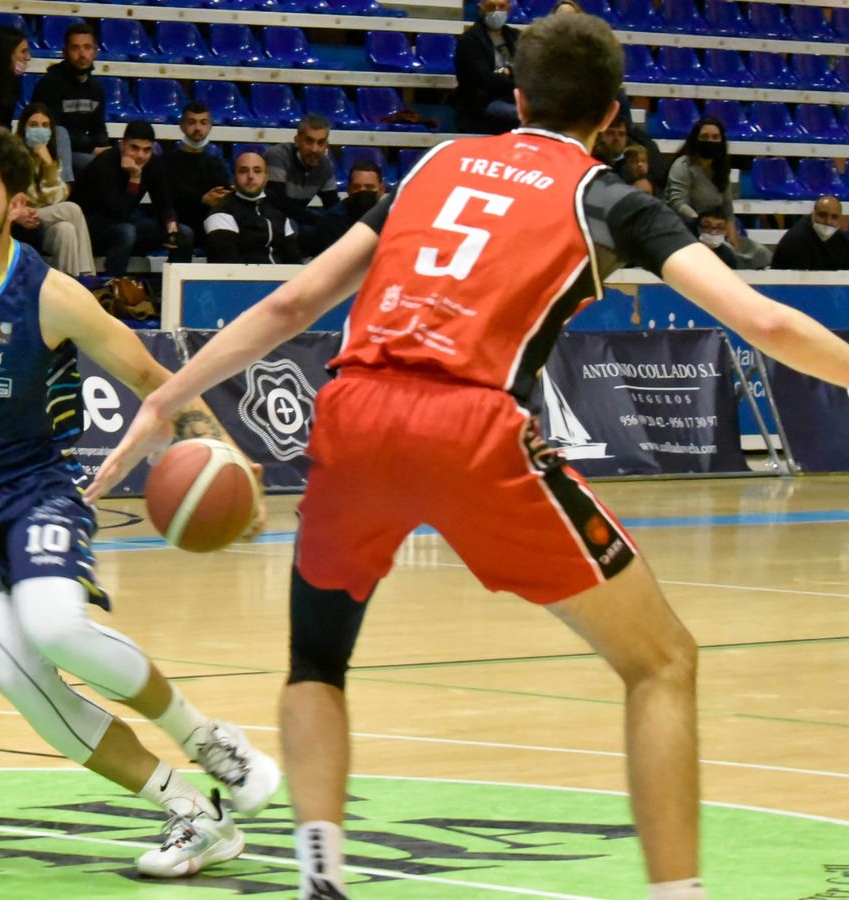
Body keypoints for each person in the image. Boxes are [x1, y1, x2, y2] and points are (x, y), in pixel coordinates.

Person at [91, 13, 849, 899]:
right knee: (661, 663)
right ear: (613, 114)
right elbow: (761, 322)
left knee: (316, 666)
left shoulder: (435, 168)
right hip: (469, 425)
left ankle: (321, 882)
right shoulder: (607, 195)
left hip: (355, 413)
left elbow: (293, 303)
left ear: (516, 97)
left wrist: (165, 397)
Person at [0, 117, 282, 878]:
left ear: (18, 205)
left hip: (33, 493)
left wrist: (219, 447)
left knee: (54, 627)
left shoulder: (52, 295)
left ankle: (210, 743)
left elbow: (152, 381)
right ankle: (191, 813)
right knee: (21, 678)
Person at [74, 121, 193, 276]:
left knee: (184, 233)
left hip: (125, 223)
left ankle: (169, 291)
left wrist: (170, 223)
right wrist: (135, 178)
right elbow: (118, 212)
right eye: (134, 148)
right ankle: (113, 288)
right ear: (122, 145)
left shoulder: (153, 163)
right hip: (90, 226)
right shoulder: (104, 163)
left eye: (147, 150)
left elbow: (164, 202)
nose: (140, 156)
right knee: (126, 232)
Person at [15, 103, 95, 276]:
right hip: (18, 217)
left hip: (42, 219)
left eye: (45, 126)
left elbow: (58, 197)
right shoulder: (12, 156)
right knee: (72, 209)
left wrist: (48, 165)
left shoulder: (51, 160)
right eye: (33, 125)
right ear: (23, 128)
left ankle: (67, 284)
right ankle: (87, 277)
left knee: (66, 230)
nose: (39, 130)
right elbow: (29, 197)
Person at [30, 22, 108, 173]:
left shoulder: (96, 88)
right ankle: (63, 190)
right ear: (65, 52)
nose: (82, 54)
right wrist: (92, 148)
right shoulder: (49, 84)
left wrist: (104, 150)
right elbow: (53, 131)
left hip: (83, 150)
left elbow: (98, 130)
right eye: (75, 48)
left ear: (95, 51)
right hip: (50, 152)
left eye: (87, 47)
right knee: (97, 167)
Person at [264, 115, 343, 257]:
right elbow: (277, 202)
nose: (314, 149)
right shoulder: (278, 155)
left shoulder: (325, 165)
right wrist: (319, 219)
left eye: (320, 143)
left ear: (326, 145)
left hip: (299, 219)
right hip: (270, 218)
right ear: (297, 140)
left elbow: (332, 204)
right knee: (292, 227)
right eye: (309, 141)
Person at [204, 151, 300, 265]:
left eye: (257, 171)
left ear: (266, 178)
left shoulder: (278, 212)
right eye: (243, 171)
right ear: (234, 177)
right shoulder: (221, 213)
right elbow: (227, 266)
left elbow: (293, 261)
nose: (250, 176)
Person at [160, 102, 232, 242]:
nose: (198, 128)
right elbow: (168, 198)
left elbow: (224, 192)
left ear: (210, 126)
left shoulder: (215, 163)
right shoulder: (166, 161)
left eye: (203, 123)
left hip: (209, 223)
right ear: (182, 126)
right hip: (177, 223)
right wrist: (202, 199)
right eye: (192, 122)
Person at [454, 0, 520, 133]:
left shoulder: (516, 37)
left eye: (501, 7)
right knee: (524, 116)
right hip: (482, 104)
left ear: (509, 9)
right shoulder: (469, 40)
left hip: (513, 98)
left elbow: (528, 71)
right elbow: (486, 79)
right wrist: (513, 76)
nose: (497, 11)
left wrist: (506, 72)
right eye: (491, 7)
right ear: (480, 9)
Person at [665, 117, 734, 224]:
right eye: (704, 137)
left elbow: (727, 205)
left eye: (715, 137)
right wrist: (700, 221)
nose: (710, 141)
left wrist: (730, 228)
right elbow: (678, 203)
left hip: (715, 226)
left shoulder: (721, 167)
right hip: (684, 225)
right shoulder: (683, 165)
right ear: (695, 140)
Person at [771, 196, 849, 271]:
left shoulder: (840, 239)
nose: (828, 222)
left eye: (834, 217)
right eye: (822, 215)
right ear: (813, 214)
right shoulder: (796, 240)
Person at [696, 207, 770, 270]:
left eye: (719, 227)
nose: (713, 232)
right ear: (697, 227)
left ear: (727, 230)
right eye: (706, 226)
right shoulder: (688, 248)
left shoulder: (728, 252)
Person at [334, 161, 383, 227]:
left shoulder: (391, 218)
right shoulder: (333, 218)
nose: (362, 191)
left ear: (381, 190)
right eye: (356, 187)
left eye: (369, 187)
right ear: (349, 190)